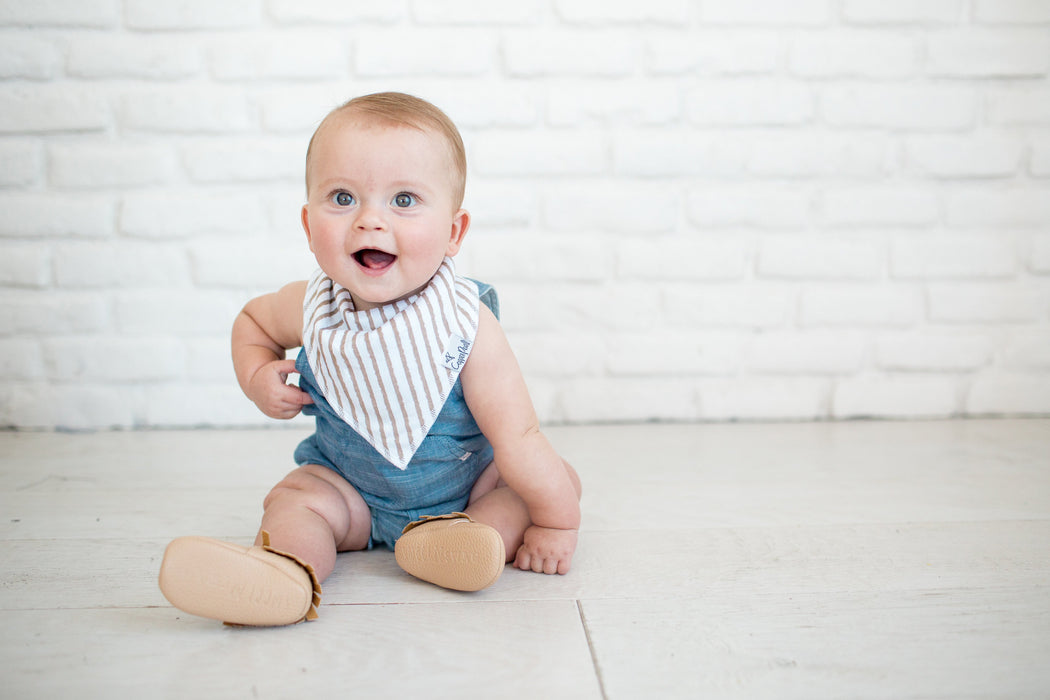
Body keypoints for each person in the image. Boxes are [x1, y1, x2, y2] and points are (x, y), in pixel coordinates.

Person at [158, 92, 582, 627]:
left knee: (541, 483)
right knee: (296, 500)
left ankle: (464, 544)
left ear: (453, 233)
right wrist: (256, 375)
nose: (369, 221)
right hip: (349, 490)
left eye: (403, 201)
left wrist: (556, 525)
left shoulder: (466, 326)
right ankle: (286, 574)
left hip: (462, 492)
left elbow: (517, 438)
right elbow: (254, 322)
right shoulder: (312, 306)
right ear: (309, 225)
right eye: (342, 197)